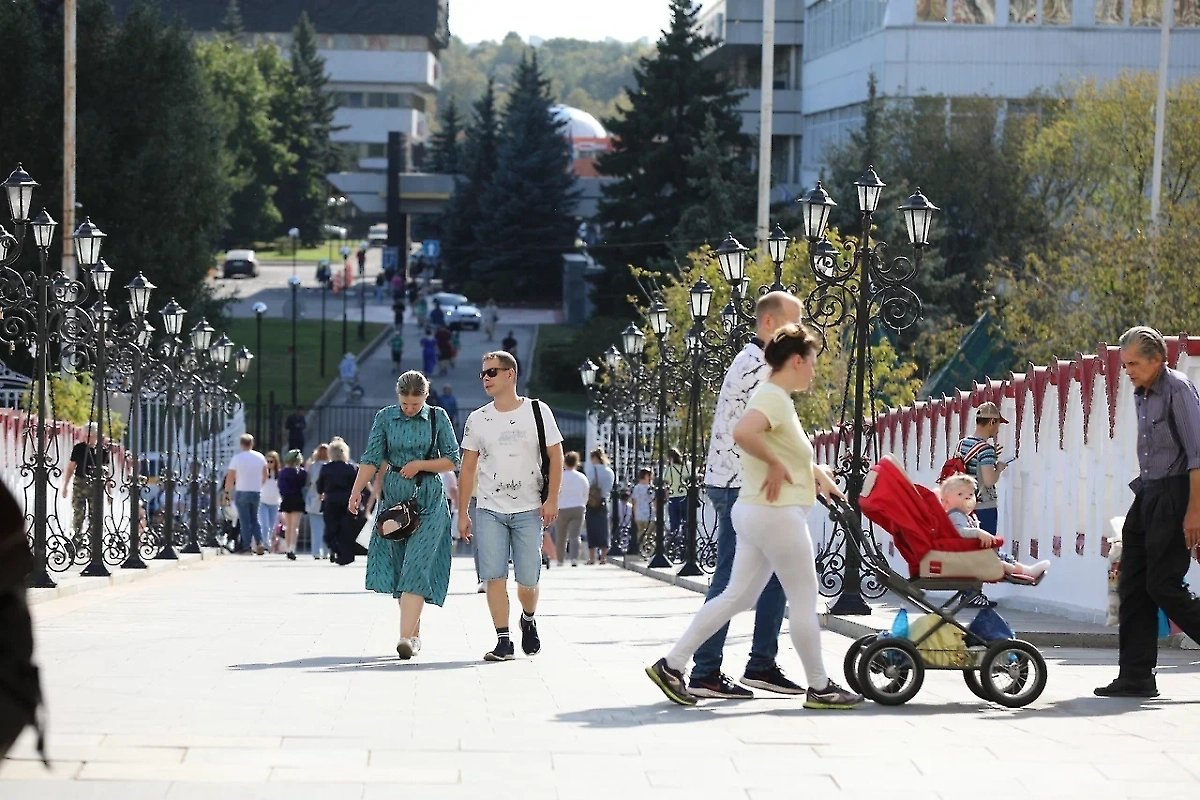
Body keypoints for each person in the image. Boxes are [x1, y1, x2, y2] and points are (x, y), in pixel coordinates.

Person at [645, 322, 863, 710]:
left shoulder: (776, 398)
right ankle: (820, 687)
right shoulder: (773, 397)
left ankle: (672, 664)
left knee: (737, 596)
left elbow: (784, 449)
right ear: (796, 361)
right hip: (776, 514)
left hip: (755, 512)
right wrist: (776, 465)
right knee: (803, 599)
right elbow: (744, 433)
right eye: (812, 362)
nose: (814, 371)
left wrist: (817, 475)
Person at [689, 290, 805, 699]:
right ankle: (705, 670)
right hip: (741, 485)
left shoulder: (756, 361)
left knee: (772, 575)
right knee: (732, 580)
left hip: (739, 483)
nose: (800, 331)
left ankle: (760, 665)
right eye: (793, 322)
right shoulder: (759, 366)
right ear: (769, 322)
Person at [1096, 326, 1200, 698]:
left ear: (1157, 360)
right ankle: (1136, 675)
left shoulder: (1178, 390)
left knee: (1163, 584)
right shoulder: (1142, 392)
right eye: (1125, 365)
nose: (1128, 371)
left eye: (1134, 364)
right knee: (1133, 584)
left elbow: (1197, 455)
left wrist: (1194, 512)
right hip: (1148, 493)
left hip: (1177, 494)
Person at [458, 350, 564, 662]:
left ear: (510, 374)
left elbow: (556, 456)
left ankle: (528, 618)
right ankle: (503, 640)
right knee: (493, 576)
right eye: (483, 373)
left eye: (492, 372)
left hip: (529, 508)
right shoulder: (478, 419)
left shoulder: (537, 411)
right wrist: (462, 512)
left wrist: (552, 498)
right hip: (489, 508)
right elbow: (467, 468)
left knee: (528, 580)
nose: (486, 378)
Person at [350, 371, 461, 660]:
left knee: (416, 566)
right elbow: (371, 458)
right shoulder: (385, 417)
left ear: (426, 396)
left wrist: (421, 464)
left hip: (429, 500)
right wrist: (356, 491)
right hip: (394, 502)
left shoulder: (438, 417)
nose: (409, 408)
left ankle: (404, 638)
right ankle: (414, 633)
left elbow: (453, 459)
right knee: (400, 569)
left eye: (415, 404)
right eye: (405, 403)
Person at [938, 474, 1049, 581]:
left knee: (1002, 558)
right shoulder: (955, 515)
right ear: (946, 501)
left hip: (971, 555)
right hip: (965, 558)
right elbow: (958, 531)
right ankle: (1026, 572)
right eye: (960, 494)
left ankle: (1026, 570)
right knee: (999, 563)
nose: (967, 497)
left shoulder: (965, 516)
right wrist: (978, 533)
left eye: (971, 494)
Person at [956, 401, 1009, 608]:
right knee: (982, 550)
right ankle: (974, 594)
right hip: (983, 505)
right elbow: (988, 480)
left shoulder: (962, 444)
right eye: (998, 424)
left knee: (968, 549)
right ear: (992, 422)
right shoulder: (985, 448)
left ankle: (966, 592)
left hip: (964, 506)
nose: (998, 429)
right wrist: (999, 467)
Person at [61, 422, 108, 544]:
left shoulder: (102, 450)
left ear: (96, 436)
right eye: (86, 435)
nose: (88, 438)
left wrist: (109, 492)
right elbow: (71, 467)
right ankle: (77, 539)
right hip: (80, 483)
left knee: (95, 515)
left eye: (91, 435)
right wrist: (65, 486)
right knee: (78, 512)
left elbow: (107, 472)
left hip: (96, 485)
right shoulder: (79, 448)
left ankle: (94, 542)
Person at [223, 434, 269, 555]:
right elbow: (265, 473)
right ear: (252, 444)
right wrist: (260, 484)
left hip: (242, 490)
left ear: (241, 444)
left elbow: (230, 476)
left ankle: (246, 546)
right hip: (256, 491)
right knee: (254, 519)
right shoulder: (260, 457)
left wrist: (227, 491)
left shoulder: (237, 458)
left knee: (244, 521)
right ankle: (259, 542)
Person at [317, 438, 359, 564]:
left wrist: (320, 492)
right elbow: (355, 485)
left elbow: (320, 484)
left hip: (330, 499)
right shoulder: (350, 468)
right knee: (345, 527)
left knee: (331, 526)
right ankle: (344, 553)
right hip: (346, 499)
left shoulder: (326, 468)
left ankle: (333, 547)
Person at [555, 451, 590, 566]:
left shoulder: (560, 476)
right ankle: (574, 558)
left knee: (561, 536)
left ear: (564, 462)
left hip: (562, 507)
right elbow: (586, 493)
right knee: (575, 535)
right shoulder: (582, 477)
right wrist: (583, 504)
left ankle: (560, 559)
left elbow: (556, 492)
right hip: (578, 507)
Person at [585, 447, 615, 564]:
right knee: (604, 529)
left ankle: (592, 557)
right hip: (604, 501)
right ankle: (603, 557)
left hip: (592, 501)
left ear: (594, 458)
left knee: (591, 528)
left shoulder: (592, 470)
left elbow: (587, 485)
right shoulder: (609, 471)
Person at [277, 450, 308, 561]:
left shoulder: (283, 472)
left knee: (288, 525)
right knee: (295, 526)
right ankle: (292, 548)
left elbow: (281, 487)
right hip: (297, 498)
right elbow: (304, 484)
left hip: (286, 499)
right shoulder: (302, 472)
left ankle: (287, 547)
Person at [306, 444, 330, 560]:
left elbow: (309, 481)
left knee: (315, 528)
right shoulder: (330, 466)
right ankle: (326, 551)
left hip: (313, 497)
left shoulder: (313, 466)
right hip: (328, 498)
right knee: (327, 527)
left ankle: (316, 551)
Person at [259, 451, 282, 553]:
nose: (269, 463)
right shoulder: (262, 472)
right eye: (267, 461)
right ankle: (265, 544)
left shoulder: (279, 474)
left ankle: (267, 543)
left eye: (271, 461)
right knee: (265, 525)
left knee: (271, 526)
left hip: (274, 502)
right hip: (263, 501)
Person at [630, 468, 655, 557]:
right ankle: (649, 552)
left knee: (640, 534)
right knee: (650, 534)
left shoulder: (636, 488)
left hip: (639, 515)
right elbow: (654, 501)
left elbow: (634, 502)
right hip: (650, 515)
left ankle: (641, 550)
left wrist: (635, 513)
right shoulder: (650, 488)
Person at [665, 447, 689, 535]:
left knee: (674, 525)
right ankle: (686, 541)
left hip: (673, 497)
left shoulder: (669, 469)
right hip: (685, 497)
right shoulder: (687, 466)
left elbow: (666, 483)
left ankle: (674, 541)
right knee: (687, 524)